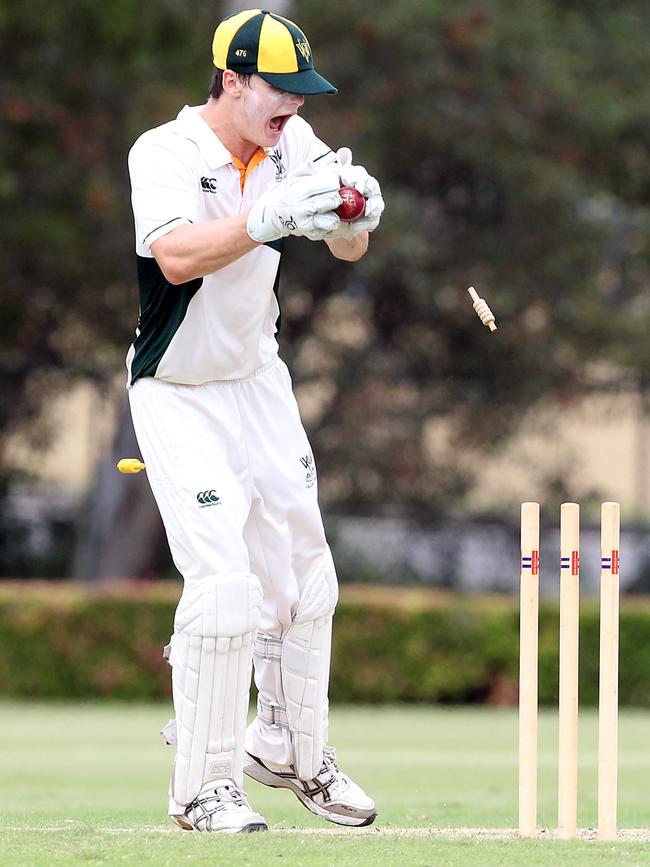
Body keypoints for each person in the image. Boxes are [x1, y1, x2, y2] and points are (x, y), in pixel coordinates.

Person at [126, 8, 384, 834]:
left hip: (257, 381)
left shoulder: (291, 144)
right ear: (231, 80)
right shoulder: (164, 152)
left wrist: (355, 216)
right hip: (178, 387)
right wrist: (265, 220)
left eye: (303, 95)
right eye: (279, 91)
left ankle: (291, 751)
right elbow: (174, 256)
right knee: (227, 589)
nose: (293, 109)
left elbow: (348, 253)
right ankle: (202, 789)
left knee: (306, 577)